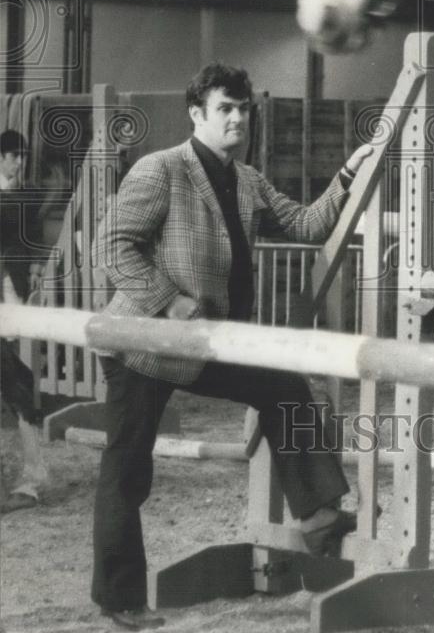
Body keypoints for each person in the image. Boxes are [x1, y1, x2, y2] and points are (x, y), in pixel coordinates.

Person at [91, 63, 372, 631]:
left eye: (244, 108)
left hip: (206, 344)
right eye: (226, 108)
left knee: (280, 380)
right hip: (142, 342)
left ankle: (318, 516)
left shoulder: (246, 178)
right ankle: (120, 602)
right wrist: (169, 300)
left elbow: (306, 225)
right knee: (126, 474)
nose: (238, 118)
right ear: (196, 114)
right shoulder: (160, 169)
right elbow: (111, 247)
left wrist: (347, 173)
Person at [1, 130, 50, 514]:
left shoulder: (25, 197)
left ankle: (31, 480)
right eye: (14, 156)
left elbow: (32, 242)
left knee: (16, 381)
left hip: (12, 292)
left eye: (22, 155)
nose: (19, 162)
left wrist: (30, 271)